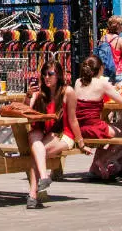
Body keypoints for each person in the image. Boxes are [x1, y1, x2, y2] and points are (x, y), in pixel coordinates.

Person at [24, 61, 81, 210]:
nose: (46, 77)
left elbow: (73, 119)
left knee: (36, 154)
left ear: (59, 75)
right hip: (43, 131)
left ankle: (32, 195)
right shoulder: (39, 92)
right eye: (44, 74)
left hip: (63, 133)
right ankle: (43, 178)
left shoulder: (67, 91)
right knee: (36, 145)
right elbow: (26, 110)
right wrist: (29, 95)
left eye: (50, 74)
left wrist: (80, 141)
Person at [73, 55, 122, 180]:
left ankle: (94, 168)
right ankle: (103, 160)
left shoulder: (78, 82)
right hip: (94, 128)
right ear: (100, 69)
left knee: (109, 130)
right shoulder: (102, 83)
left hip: (79, 128)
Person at [100, 16, 122, 81]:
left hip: (105, 73)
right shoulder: (121, 40)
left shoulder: (103, 38)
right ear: (119, 26)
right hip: (118, 73)